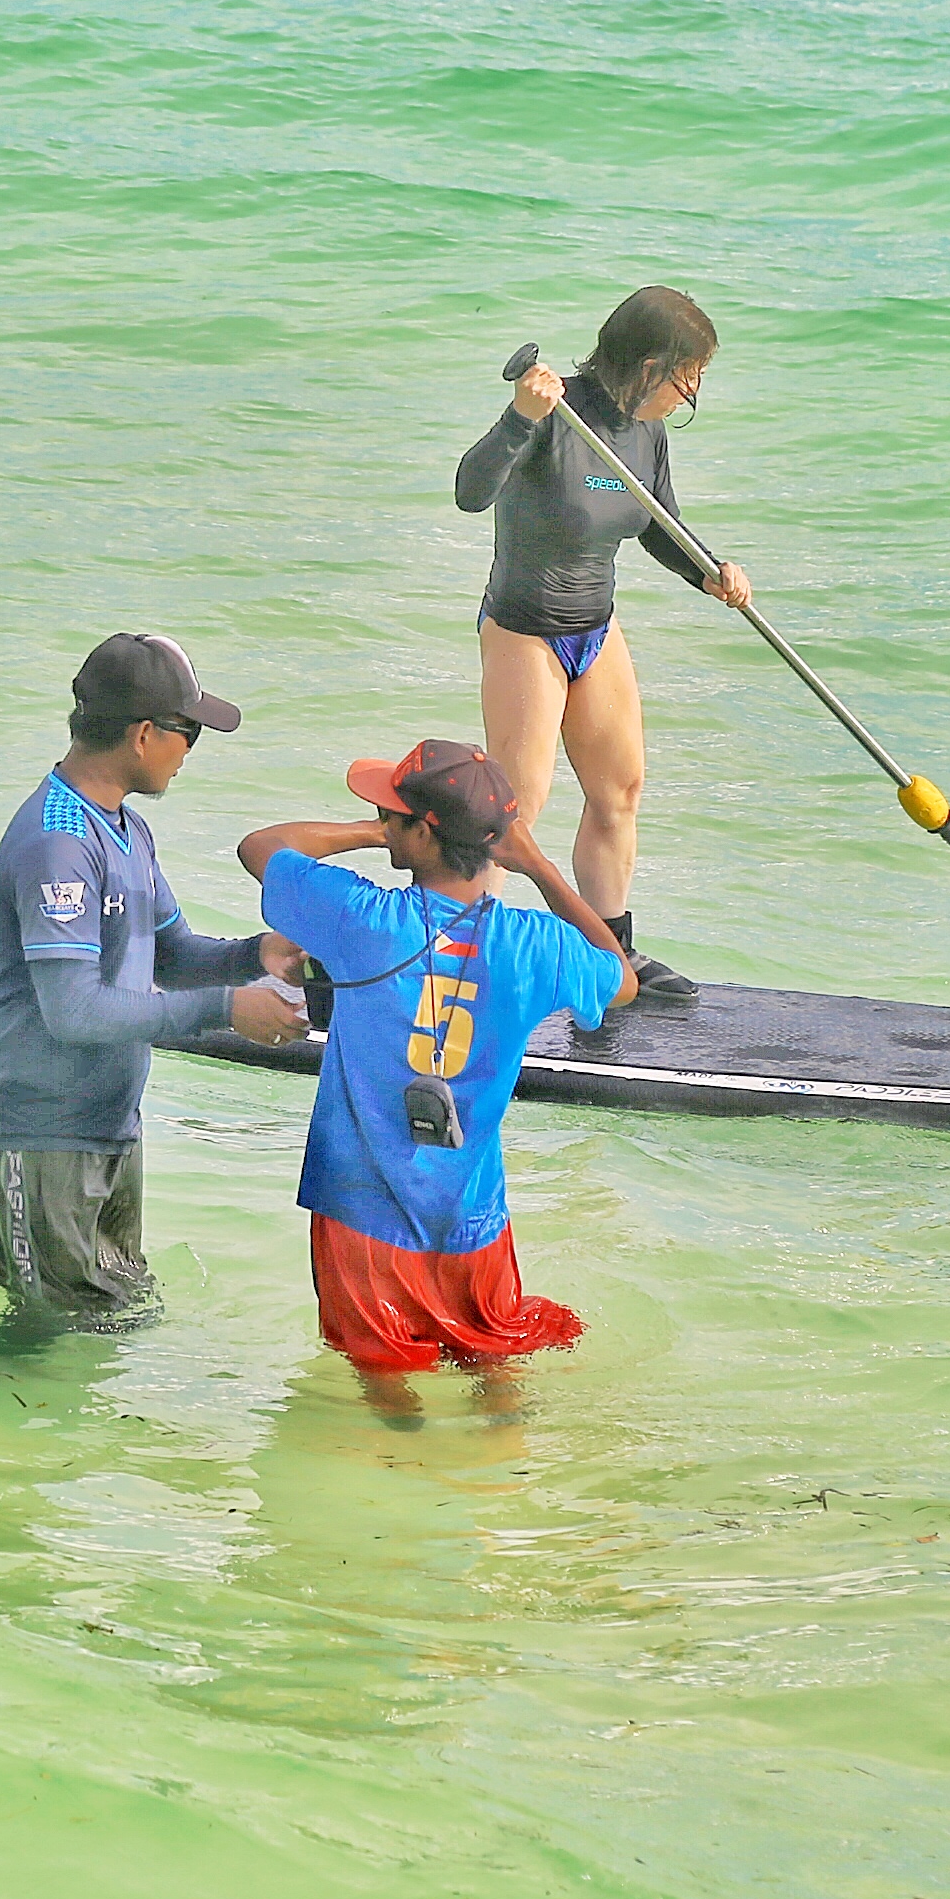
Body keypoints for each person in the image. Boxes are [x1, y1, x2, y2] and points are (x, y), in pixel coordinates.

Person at [235, 739, 635, 1381]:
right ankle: (506, 1449)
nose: (382, 820)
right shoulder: (534, 943)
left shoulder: (362, 919)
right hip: (473, 1217)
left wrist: (372, 835)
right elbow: (622, 979)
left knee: (384, 1382)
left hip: (361, 1213)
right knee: (494, 1369)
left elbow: (261, 846)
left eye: (392, 814)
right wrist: (539, 867)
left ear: (422, 833)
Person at [0, 632, 308, 1328]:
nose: (190, 753)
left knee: (116, 1321)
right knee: (48, 1336)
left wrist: (260, 954)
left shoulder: (127, 830)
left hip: (110, 1130)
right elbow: (74, 1012)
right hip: (42, 1138)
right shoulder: (58, 843)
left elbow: (172, 954)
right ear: (144, 734)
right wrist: (227, 1009)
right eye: (189, 734)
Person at [453, 283, 750, 1002]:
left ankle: (612, 952)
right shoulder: (554, 415)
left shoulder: (648, 435)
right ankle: (462, 954)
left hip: (596, 629)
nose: (689, 395)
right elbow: (470, 491)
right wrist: (519, 418)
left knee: (619, 790)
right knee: (515, 807)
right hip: (525, 629)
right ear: (650, 367)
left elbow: (659, 525)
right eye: (688, 379)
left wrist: (709, 571)